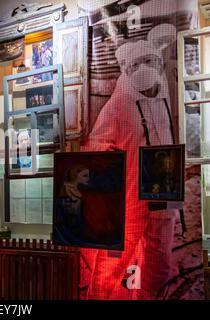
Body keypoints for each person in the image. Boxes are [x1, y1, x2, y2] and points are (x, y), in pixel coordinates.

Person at [82, 39, 177, 300]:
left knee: (158, 263)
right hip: (130, 200)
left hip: (164, 196)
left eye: (148, 61)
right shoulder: (118, 106)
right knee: (111, 265)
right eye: (136, 64)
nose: (143, 69)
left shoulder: (168, 100)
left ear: (158, 64)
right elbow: (94, 149)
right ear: (127, 69)